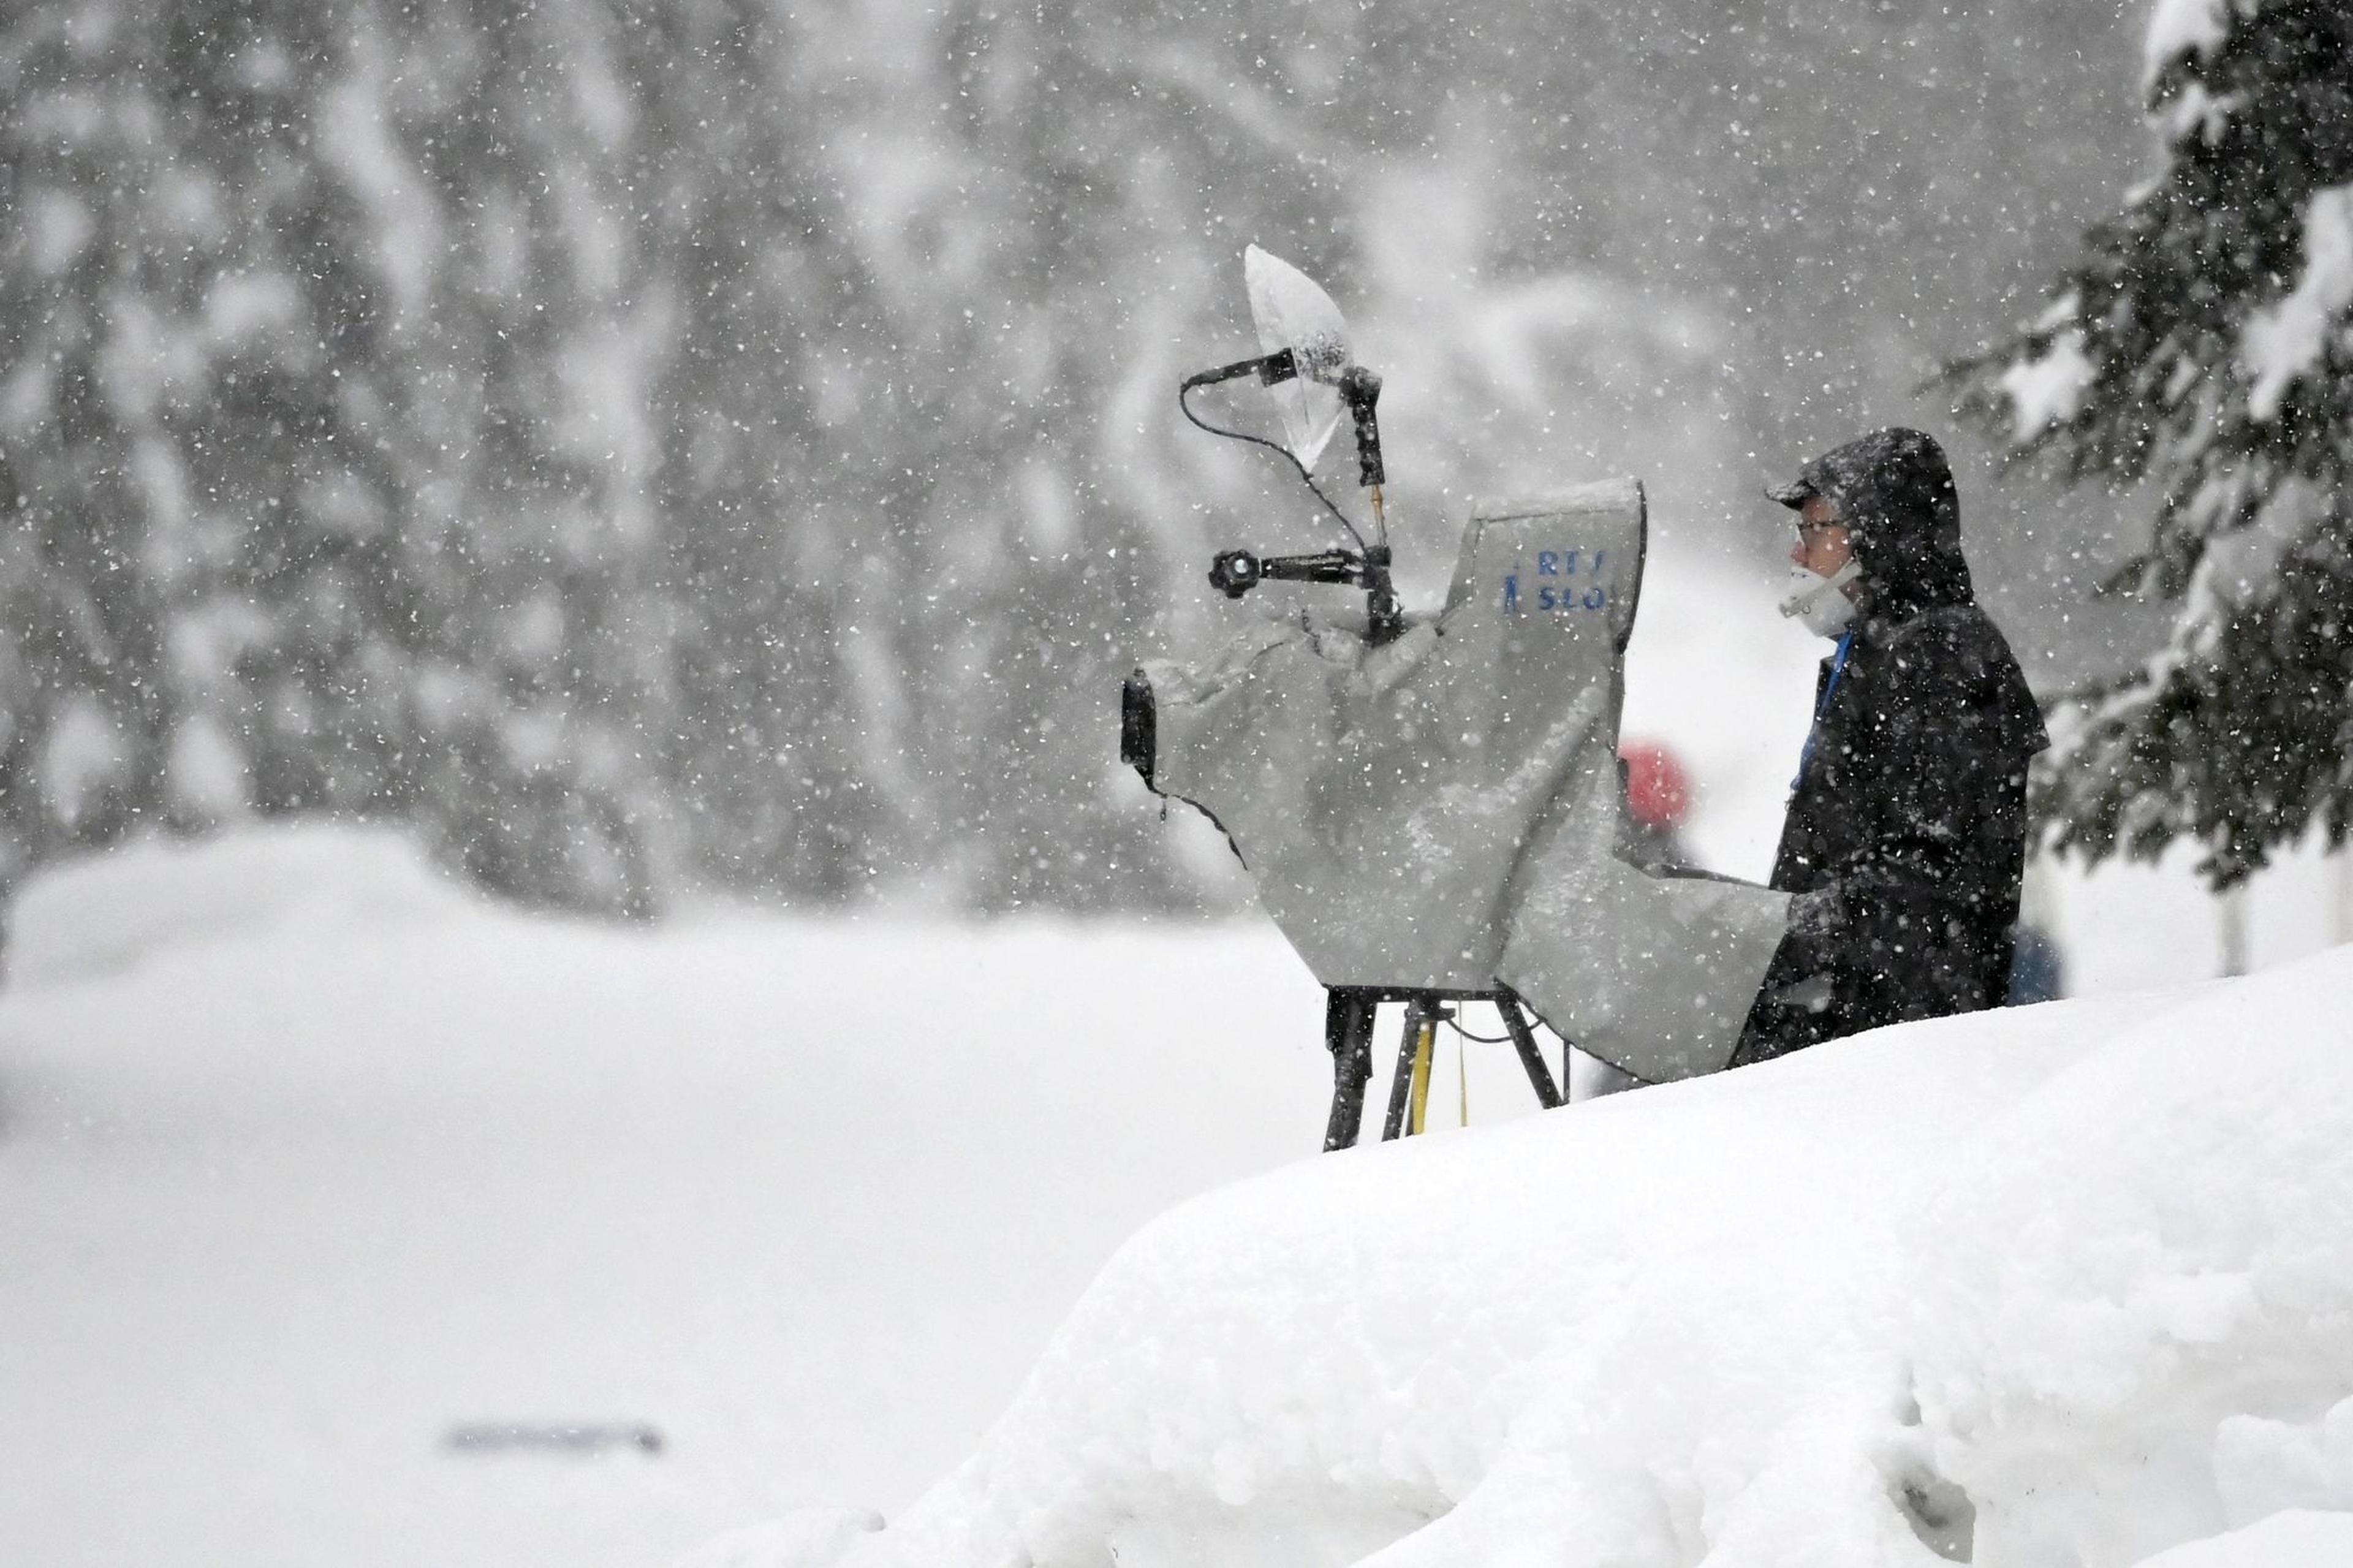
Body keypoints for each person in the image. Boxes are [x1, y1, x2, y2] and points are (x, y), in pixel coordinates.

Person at [1730, 428, 2048, 1065]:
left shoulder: (1938, 656)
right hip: (1846, 1034)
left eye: (1817, 527)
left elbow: (1928, 870)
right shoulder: (1874, 653)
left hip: (1901, 1052)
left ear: (1879, 533)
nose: (1799, 549)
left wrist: (1795, 935)